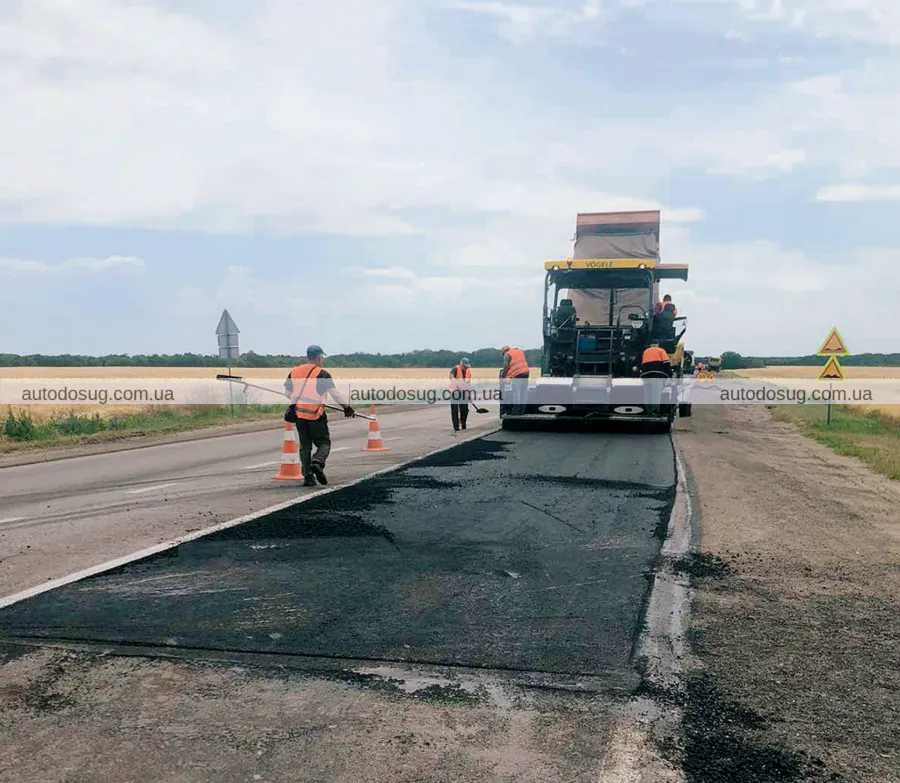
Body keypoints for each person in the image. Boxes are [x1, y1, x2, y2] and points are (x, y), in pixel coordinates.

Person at [284, 345, 355, 487]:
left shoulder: (295, 372)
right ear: (319, 357)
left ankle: (308, 477)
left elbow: (287, 393)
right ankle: (317, 462)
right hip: (316, 416)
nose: (322, 360)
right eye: (322, 357)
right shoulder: (322, 374)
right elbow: (335, 394)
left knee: (305, 446)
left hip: (299, 415)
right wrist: (346, 407)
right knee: (324, 443)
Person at [640, 340, 672, 413]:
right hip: (657, 375)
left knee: (647, 394)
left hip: (646, 375)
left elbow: (643, 364)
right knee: (656, 394)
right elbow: (666, 363)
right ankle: (655, 411)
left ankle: (648, 411)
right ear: (657, 344)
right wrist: (670, 374)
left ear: (650, 345)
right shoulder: (661, 350)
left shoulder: (645, 351)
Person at [500, 345, 530, 415]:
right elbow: (516, 365)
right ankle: (522, 411)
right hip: (526, 372)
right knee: (523, 392)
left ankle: (516, 411)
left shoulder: (507, 354)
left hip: (518, 374)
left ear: (504, 351)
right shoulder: (519, 351)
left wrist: (503, 377)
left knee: (517, 393)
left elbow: (506, 366)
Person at [449, 356, 473, 432]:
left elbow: (468, 384)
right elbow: (452, 377)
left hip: (464, 393)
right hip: (454, 392)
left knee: (465, 409)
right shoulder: (455, 369)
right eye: (465, 367)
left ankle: (463, 424)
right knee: (455, 409)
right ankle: (456, 427)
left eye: (467, 367)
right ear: (461, 365)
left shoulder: (468, 372)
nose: (466, 368)